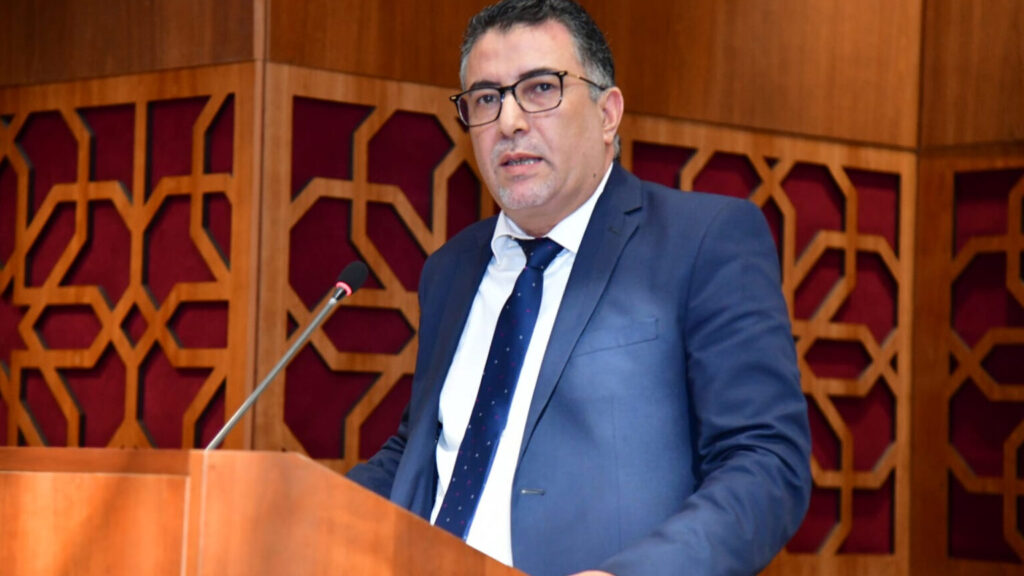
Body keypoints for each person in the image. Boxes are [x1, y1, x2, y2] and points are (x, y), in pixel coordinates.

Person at [347, 1, 811, 574]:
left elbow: (765, 462)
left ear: (607, 113)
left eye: (540, 89)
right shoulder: (450, 270)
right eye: (486, 99)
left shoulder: (703, 241)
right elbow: (424, 451)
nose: (509, 122)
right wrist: (293, 510)